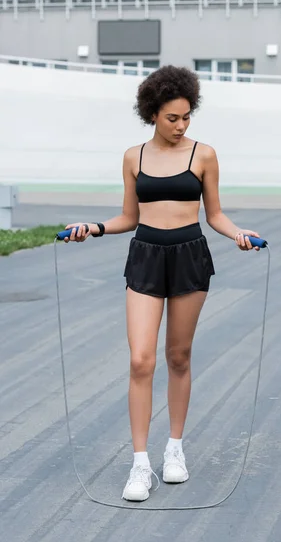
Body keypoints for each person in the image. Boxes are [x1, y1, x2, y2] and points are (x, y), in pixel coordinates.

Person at [63, 65, 261, 502]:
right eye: (173, 117)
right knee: (140, 360)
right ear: (152, 113)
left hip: (190, 256)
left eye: (187, 116)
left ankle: (174, 451)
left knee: (179, 355)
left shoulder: (203, 155)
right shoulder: (133, 157)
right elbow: (128, 218)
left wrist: (239, 235)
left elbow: (215, 215)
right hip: (146, 256)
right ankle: (139, 465)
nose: (181, 125)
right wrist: (93, 227)